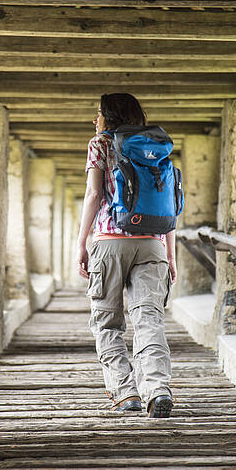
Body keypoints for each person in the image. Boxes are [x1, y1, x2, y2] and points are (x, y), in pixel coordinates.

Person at [76, 93, 176, 418]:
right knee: (149, 318)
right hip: (152, 244)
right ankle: (157, 388)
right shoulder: (157, 146)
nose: (95, 120)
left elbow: (93, 194)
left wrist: (81, 242)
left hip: (109, 241)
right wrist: (170, 254)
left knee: (107, 323)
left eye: (98, 114)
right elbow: (168, 206)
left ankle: (125, 391)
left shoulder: (101, 143)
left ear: (109, 116)